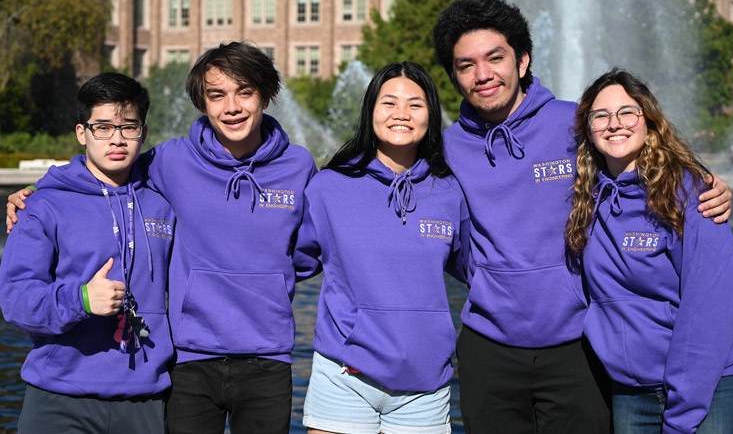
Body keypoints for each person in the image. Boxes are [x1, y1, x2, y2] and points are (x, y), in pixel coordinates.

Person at [431, 0, 733, 433]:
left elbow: (641, 150)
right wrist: (485, 275)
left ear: (522, 60)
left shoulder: (574, 123)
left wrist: (703, 181)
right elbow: (438, 231)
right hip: (488, 348)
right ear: (455, 77)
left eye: (495, 58)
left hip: (580, 344)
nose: (483, 75)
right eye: (466, 65)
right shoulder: (448, 148)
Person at [6, 42, 319, 433]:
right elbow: (98, 177)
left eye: (245, 92)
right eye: (217, 95)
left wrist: (269, 280)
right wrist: (38, 192)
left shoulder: (297, 165)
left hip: (239, 361)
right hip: (171, 362)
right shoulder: (171, 161)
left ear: (266, 96)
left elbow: (308, 251)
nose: (232, 107)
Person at [565, 68, 733, 434]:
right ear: (587, 128)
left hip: (712, 385)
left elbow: (710, 309)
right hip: (633, 390)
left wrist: (682, 415)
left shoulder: (691, 194)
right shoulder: (583, 199)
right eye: (600, 115)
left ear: (648, 120)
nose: (614, 124)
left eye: (627, 112)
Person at [293, 62, 469, 434]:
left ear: (431, 115)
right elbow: (293, 262)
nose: (401, 114)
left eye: (415, 105)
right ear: (371, 110)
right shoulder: (329, 187)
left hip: (425, 384)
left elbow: (474, 269)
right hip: (345, 376)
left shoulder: (450, 191)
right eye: (389, 103)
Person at [0, 73, 175, 433]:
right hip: (59, 398)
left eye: (129, 127)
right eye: (103, 127)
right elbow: (15, 300)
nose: (117, 139)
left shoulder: (164, 202)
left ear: (143, 132)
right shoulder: (42, 205)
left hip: (144, 400)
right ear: (82, 132)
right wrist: (80, 299)